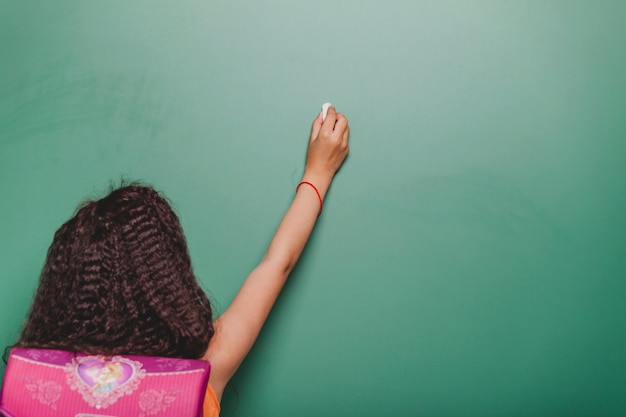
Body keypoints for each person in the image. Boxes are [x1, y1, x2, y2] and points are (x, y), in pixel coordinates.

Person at [12, 106, 350, 416]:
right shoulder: (204, 368)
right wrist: (317, 173)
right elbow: (277, 263)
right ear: (165, 280)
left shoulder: (30, 389)